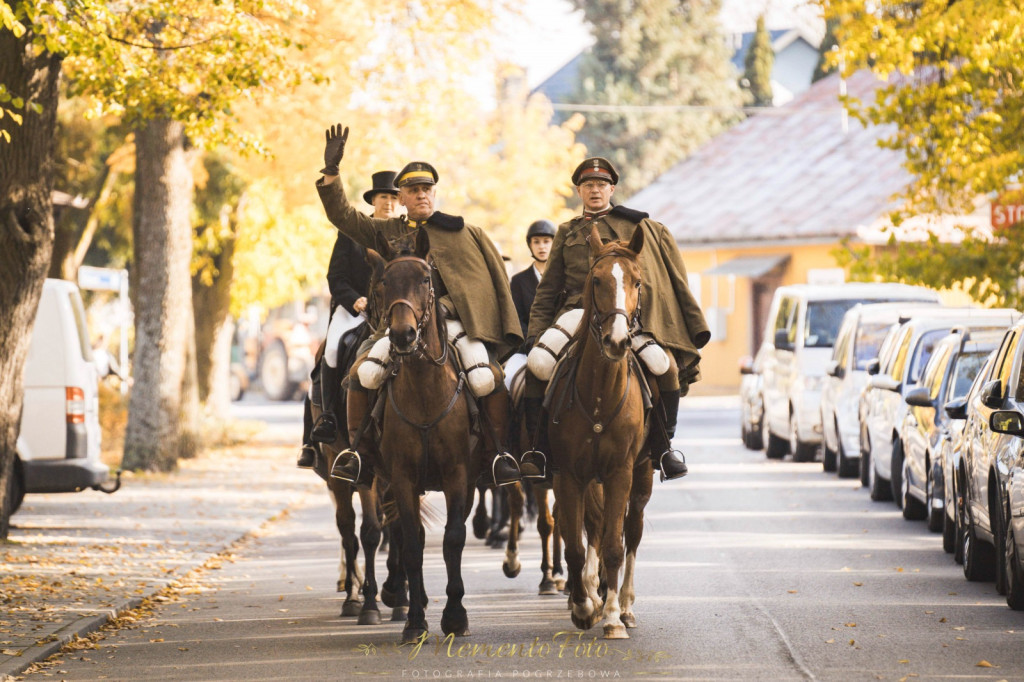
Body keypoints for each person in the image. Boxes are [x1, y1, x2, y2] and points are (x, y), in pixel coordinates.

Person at [314, 124, 524, 487]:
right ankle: (357, 454)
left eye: (426, 189)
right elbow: (344, 217)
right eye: (413, 190)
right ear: (403, 197)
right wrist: (332, 173)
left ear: (434, 193)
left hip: (455, 326)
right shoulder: (388, 231)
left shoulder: (464, 232)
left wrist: (444, 308)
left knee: (485, 376)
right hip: (398, 325)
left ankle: (498, 453)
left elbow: (479, 287)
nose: (421, 195)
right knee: (362, 374)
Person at [522, 157, 711, 481]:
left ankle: (664, 448)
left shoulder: (640, 229)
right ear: (579, 191)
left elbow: (654, 282)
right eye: (588, 185)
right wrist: (535, 333)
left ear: (612, 189)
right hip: (576, 313)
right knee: (538, 364)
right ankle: (537, 451)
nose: (595, 191)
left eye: (601, 185)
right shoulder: (568, 231)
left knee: (665, 366)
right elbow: (548, 288)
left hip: (626, 317)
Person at [298, 170, 401, 469]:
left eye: (395, 197)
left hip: (392, 313)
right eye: (385, 197)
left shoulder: (405, 233)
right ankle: (327, 418)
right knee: (331, 350)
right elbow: (336, 276)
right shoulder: (352, 232)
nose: (390, 203)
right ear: (374, 200)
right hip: (354, 309)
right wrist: (355, 299)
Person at [509, 220, 556, 338]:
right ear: (530, 245)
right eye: (536, 242)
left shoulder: (564, 278)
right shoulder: (518, 281)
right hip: (528, 345)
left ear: (554, 244)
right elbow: (517, 319)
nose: (541, 247)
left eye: (546, 241)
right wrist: (530, 343)